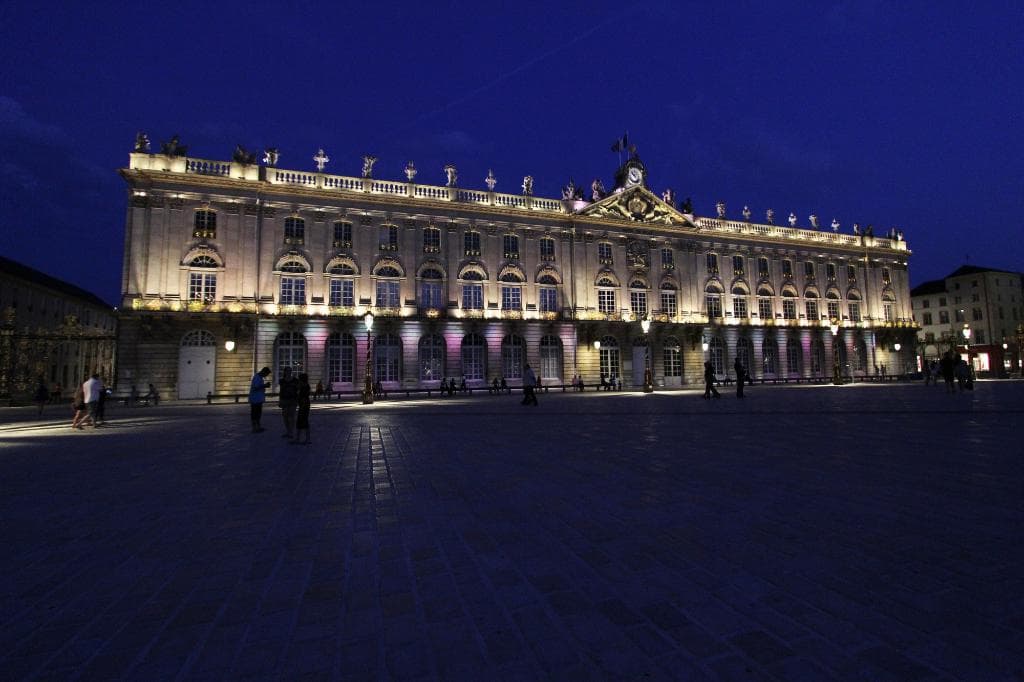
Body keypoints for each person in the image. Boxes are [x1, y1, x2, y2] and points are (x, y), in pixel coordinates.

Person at [278, 367, 298, 440]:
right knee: (285, 416)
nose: (289, 372)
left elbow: (298, 390)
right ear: (285, 372)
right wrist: (280, 400)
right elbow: (281, 391)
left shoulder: (295, 380)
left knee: (292, 416)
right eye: (288, 371)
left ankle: (291, 432)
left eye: (290, 371)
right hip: (284, 400)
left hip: (293, 400)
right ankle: (288, 431)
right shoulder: (282, 381)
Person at [249, 366, 271, 432]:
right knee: (255, 413)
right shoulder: (257, 377)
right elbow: (256, 387)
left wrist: (264, 386)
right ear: (264, 372)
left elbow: (258, 387)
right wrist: (265, 385)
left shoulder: (260, 378)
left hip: (258, 399)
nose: (266, 376)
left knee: (258, 413)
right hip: (255, 399)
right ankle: (254, 428)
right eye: (266, 374)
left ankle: (258, 427)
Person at [294, 373, 311, 445]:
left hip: (304, 406)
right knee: (301, 422)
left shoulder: (304, 387)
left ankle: (305, 439)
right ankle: (301, 439)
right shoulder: (305, 386)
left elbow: (302, 397)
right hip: (304, 406)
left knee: (303, 422)